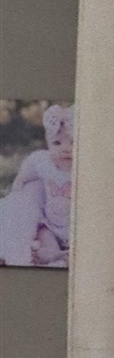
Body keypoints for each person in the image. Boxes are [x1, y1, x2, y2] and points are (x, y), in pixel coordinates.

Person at [0, 102, 73, 268]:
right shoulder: (44, 163)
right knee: (43, 234)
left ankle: (68, 254)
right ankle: (54, 253)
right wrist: (18, 189)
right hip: (50, 224)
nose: (66, 149)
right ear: (48, 144)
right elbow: (26, 174)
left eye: (73, 142)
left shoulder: (83, 169)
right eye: (57, 143)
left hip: (73, 225)